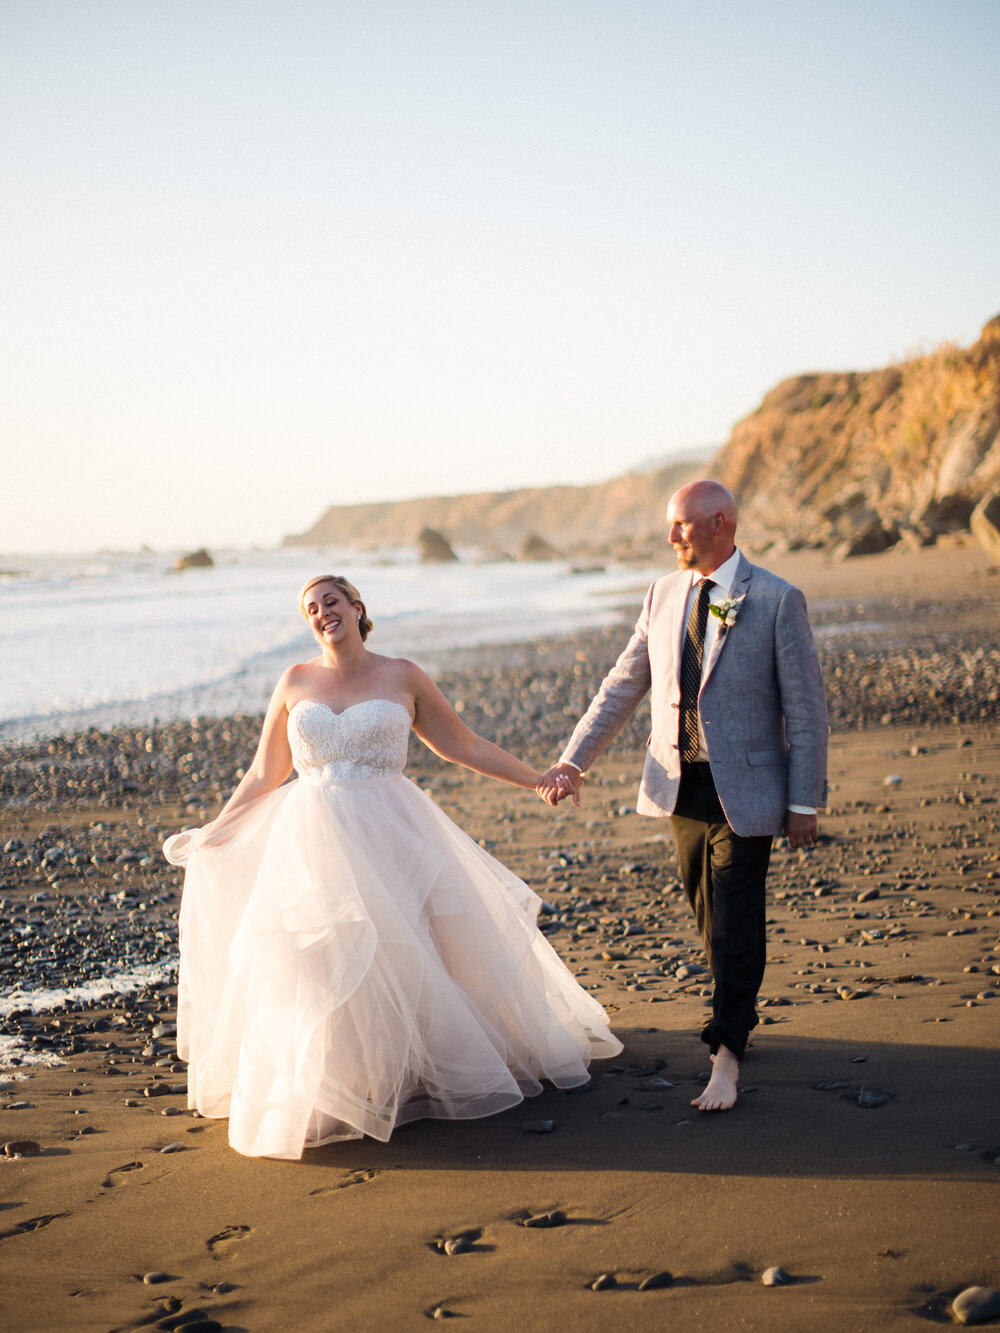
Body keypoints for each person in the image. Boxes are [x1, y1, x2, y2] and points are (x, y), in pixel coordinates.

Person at [163, 574, 621, 1160]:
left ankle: (418, 1072)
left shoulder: (402, 674)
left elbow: (465, 746)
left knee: (412, 947)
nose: (321, 612)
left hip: (392, 828)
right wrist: (215, 833)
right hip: (313, 837)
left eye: (331, 601)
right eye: (310, 608)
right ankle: (342, 1085)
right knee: (322, 958)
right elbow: (265, 772)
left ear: (357, 609)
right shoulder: (294, 681)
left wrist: (538, 778)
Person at [538, 480, 827, 1112]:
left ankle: (726, 1055)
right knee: (706, 909)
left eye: (682, 526)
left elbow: (806, 709)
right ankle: (740, 1009)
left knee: (735, 913)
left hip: (748, 786)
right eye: (670, 526)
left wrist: (805, 801)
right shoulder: (663, 594)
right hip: (679, 784)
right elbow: (623, 684)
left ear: (721, 522)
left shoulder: (777, 599)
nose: (671, 537)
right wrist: (573, 760)